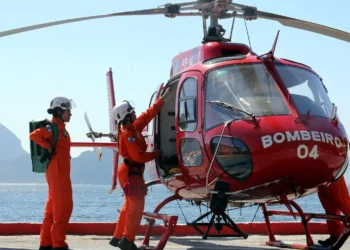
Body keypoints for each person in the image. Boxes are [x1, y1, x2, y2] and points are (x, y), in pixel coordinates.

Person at [109, 86, 171, 250]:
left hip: (130, 172)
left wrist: (161, 101)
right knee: (136, 208)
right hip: (132, 173)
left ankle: (117, 237)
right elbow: (139, 157)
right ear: (127, 116)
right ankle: (127, 240)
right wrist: (156, 154)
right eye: (132, 112)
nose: (135, 114)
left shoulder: (132, 128)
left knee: (128, 206)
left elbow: (147, 115)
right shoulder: (129, 135)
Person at [29, 97, 75, 250]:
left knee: (52, 209)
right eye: (68, 111)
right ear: (59, 111)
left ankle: (46, 242)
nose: (70, 114)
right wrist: (47, 146)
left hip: (59, 173)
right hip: (57, 173)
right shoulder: (52, 128)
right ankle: (58, 243)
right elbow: (34, 135)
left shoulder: (61, 129)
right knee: (63, 208)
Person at [317, 175, 350, 247]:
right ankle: (334, 236)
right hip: (319, 178)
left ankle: (334, 236)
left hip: (332, 172)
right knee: (329, 208)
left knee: (344, 204)